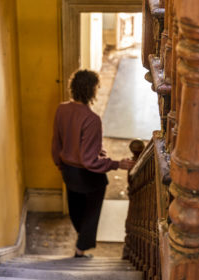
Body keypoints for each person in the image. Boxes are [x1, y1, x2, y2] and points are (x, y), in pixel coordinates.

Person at [51, 69, 135, 258]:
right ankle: (80, 250)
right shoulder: (92, 120)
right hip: (88, 176)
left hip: (68, 171)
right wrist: (116, 164)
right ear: (92, 91)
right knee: (91, 214)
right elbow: (89, 160)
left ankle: (81, 241)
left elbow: (56, 143)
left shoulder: (61, 109)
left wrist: (60, 164)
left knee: (76, 209)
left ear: (73, 88)